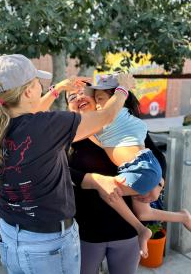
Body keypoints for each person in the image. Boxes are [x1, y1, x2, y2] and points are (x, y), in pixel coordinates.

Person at [0, 54, 135, 274]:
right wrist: (123, 89)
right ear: (27, 92)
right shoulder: (47, 126)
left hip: (10, 235)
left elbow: (29, 113)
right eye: (37, 84)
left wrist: (57, 89)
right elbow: (106, 117)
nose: (40, 88)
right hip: (47, 246)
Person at [65, 86, 166, 274]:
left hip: (126, 231)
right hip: (87, 231)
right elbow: (59, 170)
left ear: (97, 99)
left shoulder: (119, 121)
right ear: (68, 107)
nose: (78, 97)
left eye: (83, 93)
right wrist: (92, 179)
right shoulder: (67, 135)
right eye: (71, 96)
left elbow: (155, 155)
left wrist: (159, 183)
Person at [88, 74, 191, 258]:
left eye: (101, 99)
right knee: (143, 213)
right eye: (95, 100)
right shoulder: (121, 119)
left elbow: (88, 133)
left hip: (140, 169)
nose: (96, 105)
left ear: (117, 98)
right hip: (139, 167)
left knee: (107, 190)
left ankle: (141, 231)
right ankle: (182, 216)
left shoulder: (112, 116)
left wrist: (158, 184)